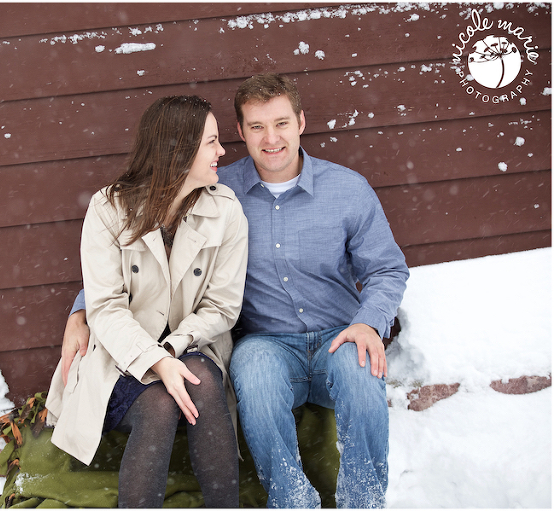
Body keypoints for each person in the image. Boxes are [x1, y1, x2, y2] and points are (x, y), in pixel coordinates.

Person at [63, 73, 408, 508]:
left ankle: (364, 503)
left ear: (301, 122)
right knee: (254, 374)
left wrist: (367, 323)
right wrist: (81, 311)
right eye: (256, 127)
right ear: (241, 131)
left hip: (339, 334)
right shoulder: (215, 189)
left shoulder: (346, 190)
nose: (271, 139)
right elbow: (131, 259)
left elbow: (388, 268)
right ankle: (291, 501)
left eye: (281, 123)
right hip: (266, 342)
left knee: (361, 373)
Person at [45, 95, 249, 508]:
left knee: (201, 380)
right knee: (157, 403)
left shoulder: (225, 210)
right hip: (120, 354)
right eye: (211, 142)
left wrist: (173, 349)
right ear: (179, 149)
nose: (222, 152)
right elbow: (105, 307)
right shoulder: (109, 209)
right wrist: (156, 361)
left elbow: (223, 307)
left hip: (191, 345)